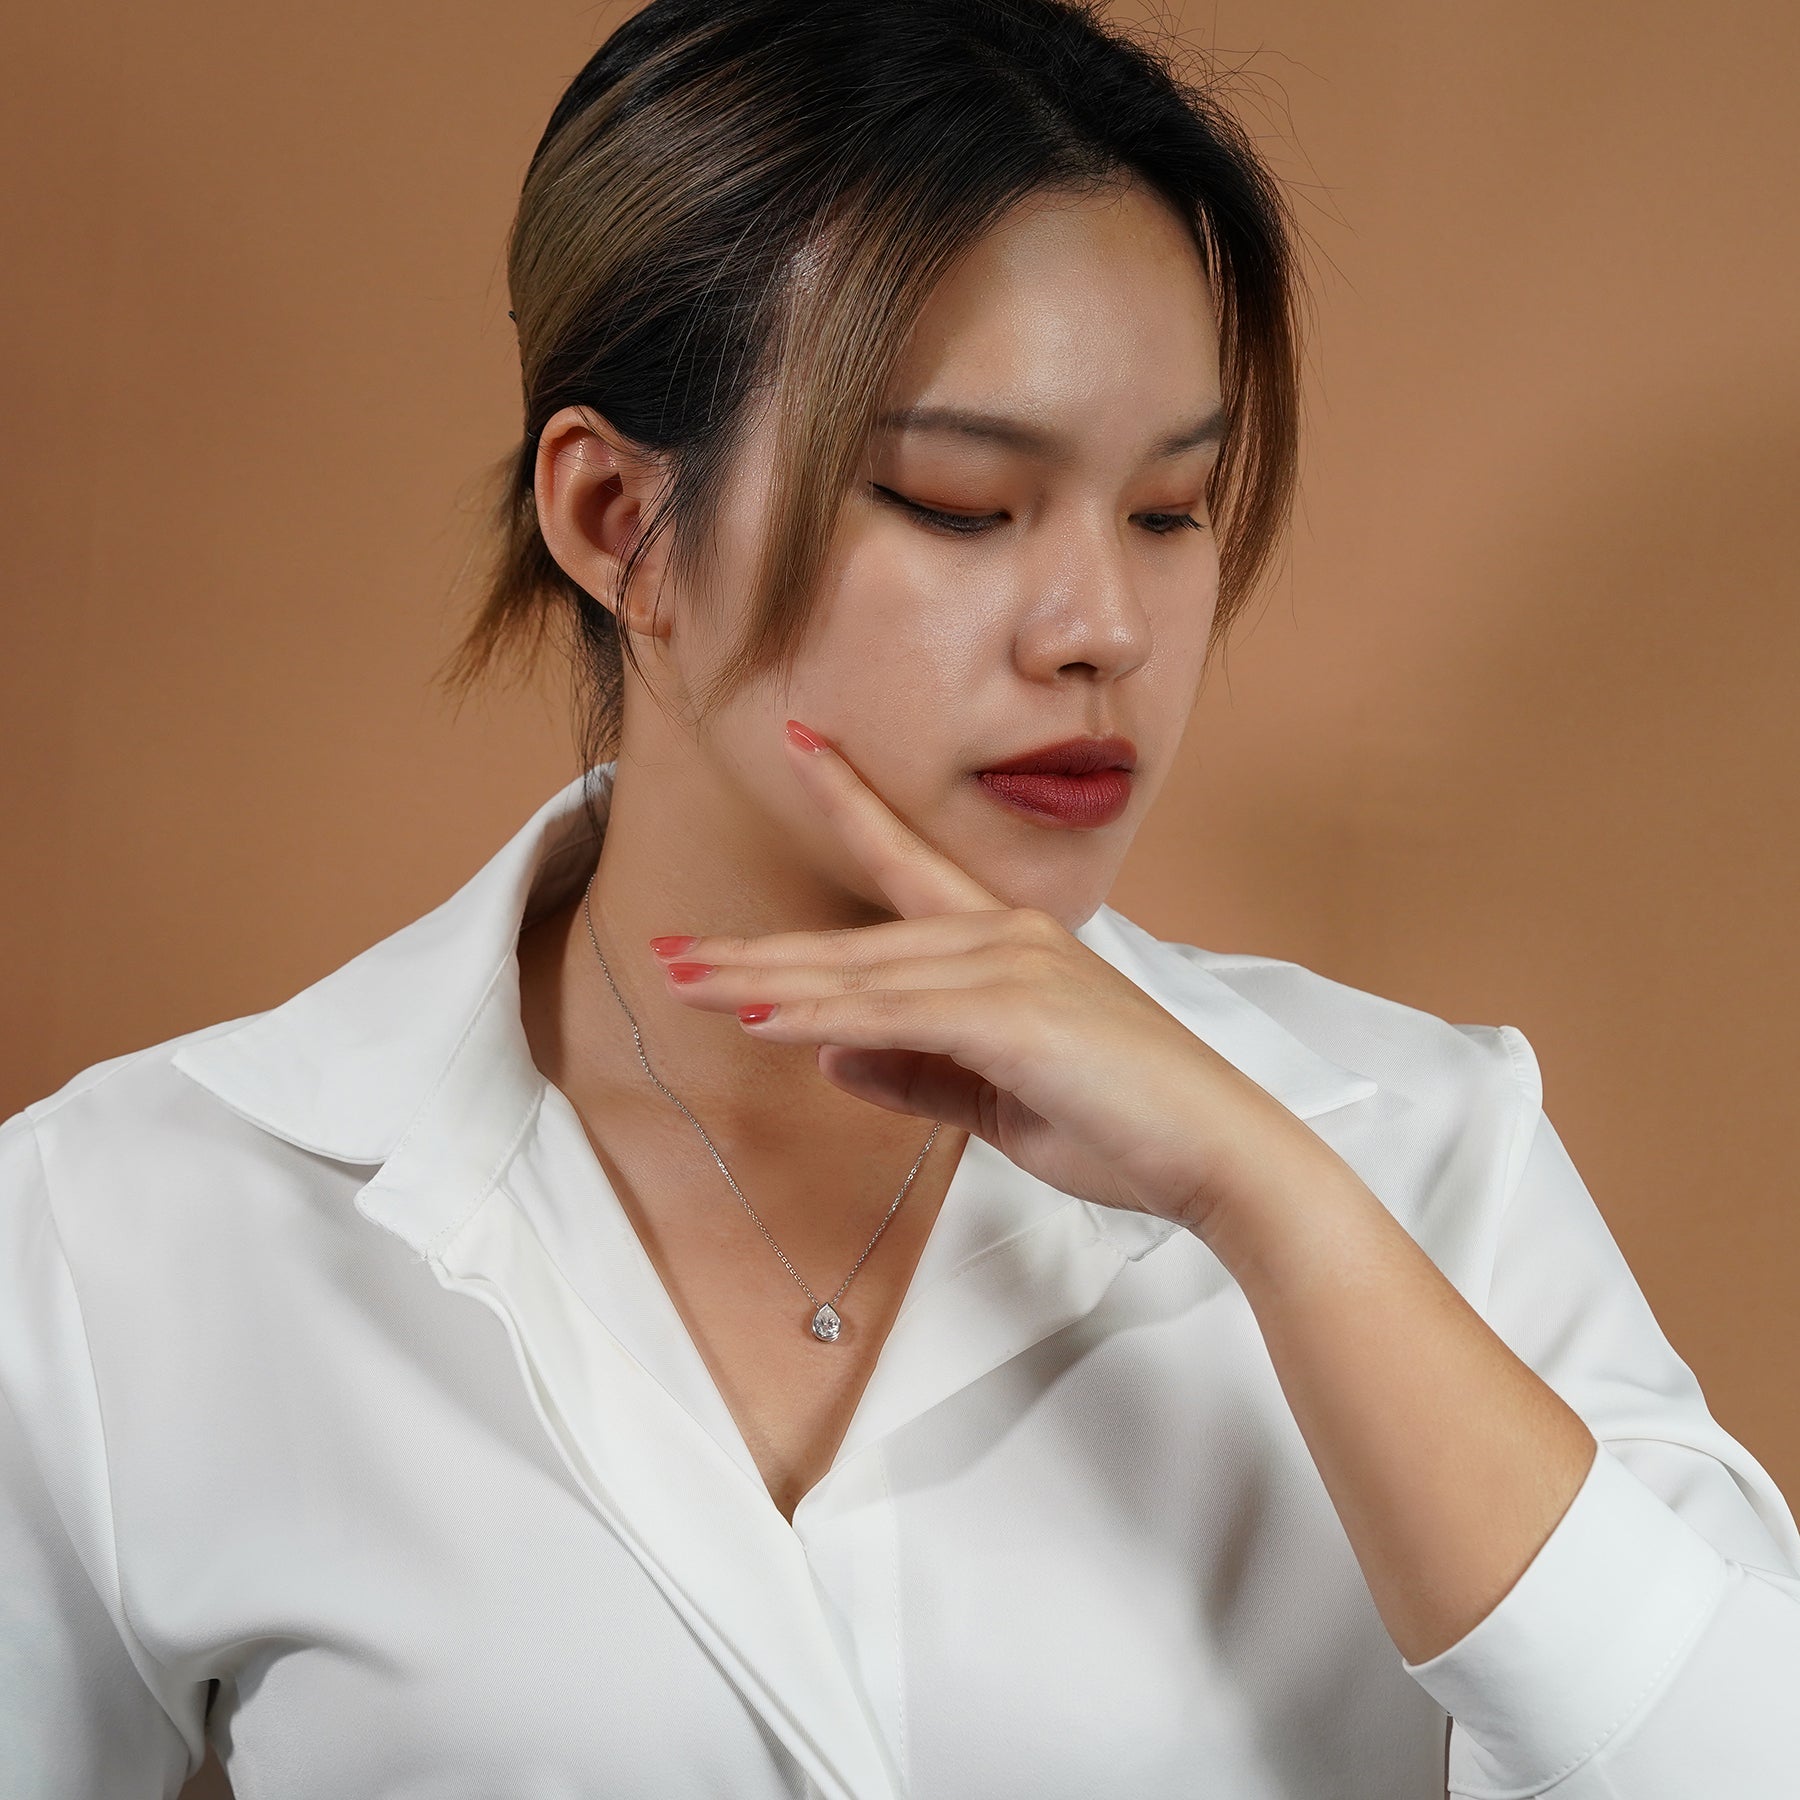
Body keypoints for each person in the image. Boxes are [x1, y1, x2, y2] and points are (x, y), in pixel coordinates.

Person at [3, 1, 1797, 1796]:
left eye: (1171, 511)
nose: (1103, 629)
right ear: (618, 519)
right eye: (960, 502)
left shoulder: (1420, 1161)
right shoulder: (135, 1228)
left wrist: (1271, 1208)